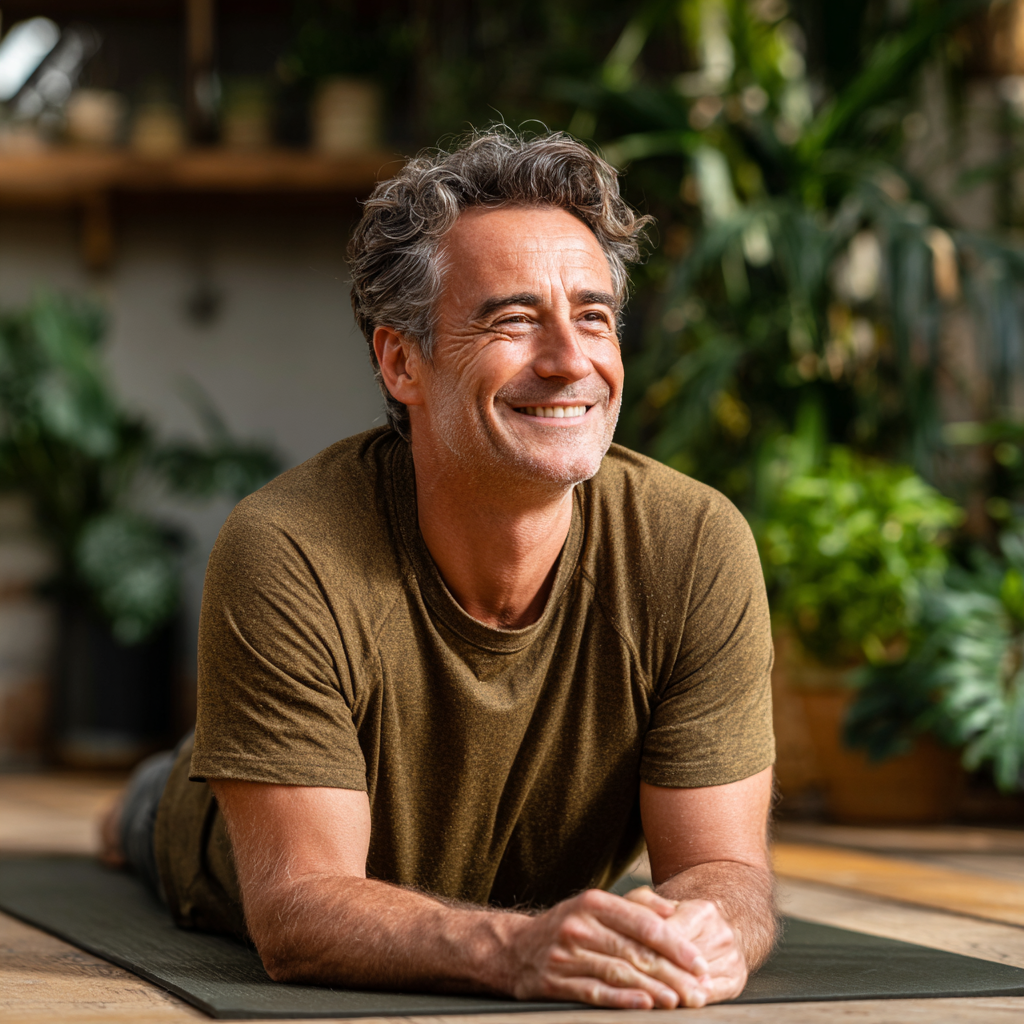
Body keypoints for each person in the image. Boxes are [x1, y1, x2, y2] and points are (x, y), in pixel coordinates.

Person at [101, 130, 777, 1010]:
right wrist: (518, 949)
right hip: (223, 836)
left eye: (594, 315)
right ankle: (140, 799)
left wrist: (701, 937)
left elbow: (725, 868)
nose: (572, 359)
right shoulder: (286, 549)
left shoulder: (694, 545)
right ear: (400, 361)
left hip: (508, 879)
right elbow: (298, 908)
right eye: (514, 318)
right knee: (143, 814)